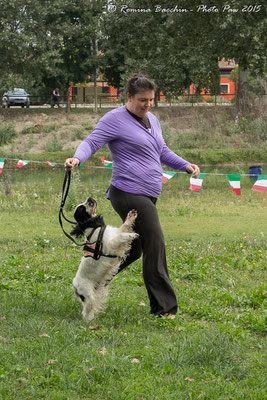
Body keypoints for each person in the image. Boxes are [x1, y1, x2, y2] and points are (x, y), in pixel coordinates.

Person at [64, 74, 200, 318]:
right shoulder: (114, 119)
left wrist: (185, 165)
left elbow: (162, 150)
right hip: (126, 192)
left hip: (149, 193)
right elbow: (92, 142)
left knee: (134, 250)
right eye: (142, 100)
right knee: (155, 242)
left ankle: (96, 281)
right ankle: (164, 309)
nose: (147, 104)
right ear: (128, 97)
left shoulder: (152, 120)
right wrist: (77, 158)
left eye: (151, 99)